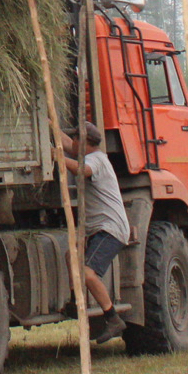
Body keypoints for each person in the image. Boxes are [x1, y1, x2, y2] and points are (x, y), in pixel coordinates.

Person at [61, 121, 132, 343]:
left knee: (88, 273)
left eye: (75, 138)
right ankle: (76, 302)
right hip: (99, 228)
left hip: (110, 228)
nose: (72, 142)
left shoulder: (96, 160)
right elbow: (68, 146)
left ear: (85, 142)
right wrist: (50, 125)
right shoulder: (88, 154)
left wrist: (59, 159)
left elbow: (83, 171)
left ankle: (113, 318)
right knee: (70, 256)